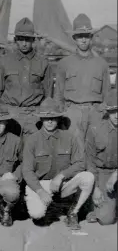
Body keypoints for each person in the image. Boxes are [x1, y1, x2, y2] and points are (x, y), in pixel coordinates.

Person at [23, 97, 95, 230]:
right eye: (46, 118)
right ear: (41, 119)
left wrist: (62, 175)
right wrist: (40, 191)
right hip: (42, 184)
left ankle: (73, 212)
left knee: (88, 177)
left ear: (59, 118)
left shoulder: (70, 137)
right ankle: (48, 205)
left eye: (53, 117)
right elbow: (27, 171)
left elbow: (80, 163)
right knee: (37, 214)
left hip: (63, 184)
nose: (49, 121)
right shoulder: (32, 140)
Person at [54, 13, 111, 145]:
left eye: (86, 36)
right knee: (72, 149)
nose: (83, 40)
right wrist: (63, 112)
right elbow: (58, 94)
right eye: (80, 36)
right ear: (74, 38)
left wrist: (101, 111)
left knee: (96, 149)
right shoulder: (64, 63)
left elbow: (107, 94)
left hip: (95, 113)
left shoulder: (101, 64)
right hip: (72, 113)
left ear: (91, 37)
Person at [0, 17, 53, 141]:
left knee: (31, 154)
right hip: (10, 114)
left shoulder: (43, 62)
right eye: (21, 39)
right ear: (15, 40)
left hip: (33, 116)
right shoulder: (5, 61)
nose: (24, 43)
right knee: (10, 153)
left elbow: (48, 94)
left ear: (33, 40)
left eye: (27, 39)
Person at [86, 89, 117, 225]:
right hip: (102, 173)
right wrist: (95, 188)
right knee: (106, 219)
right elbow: (90, 161)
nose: (117, 115)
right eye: (113, 111)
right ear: (108, 112)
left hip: (116, 173)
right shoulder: (95, 130)